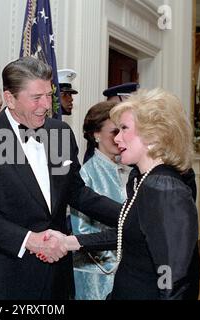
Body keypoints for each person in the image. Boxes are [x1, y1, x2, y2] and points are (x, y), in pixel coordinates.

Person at [0, 56, 121, 300]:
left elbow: (76, 192)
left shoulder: (60, 133)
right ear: (9, 99)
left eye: (49, 95)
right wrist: (28, 240)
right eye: (36, 98)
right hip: (5, 277)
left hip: (57, 278)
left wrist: (128, 213)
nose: (46, 105)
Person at [45, 88, 200, 300]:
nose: (117, 138)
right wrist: (70, 242)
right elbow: (130, 233)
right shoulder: (144, 180)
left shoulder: (165, 189)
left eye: (124, 129)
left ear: (154, 136)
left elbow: (174, 275)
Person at [70, 101, 132, 300]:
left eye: (123, 130)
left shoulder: (129, 170)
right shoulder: (86, 175)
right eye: (114, 131)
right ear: (96, 135)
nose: (120, 137)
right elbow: (82, 231)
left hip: (125, 273)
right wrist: (116, 264)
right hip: (97, 275)